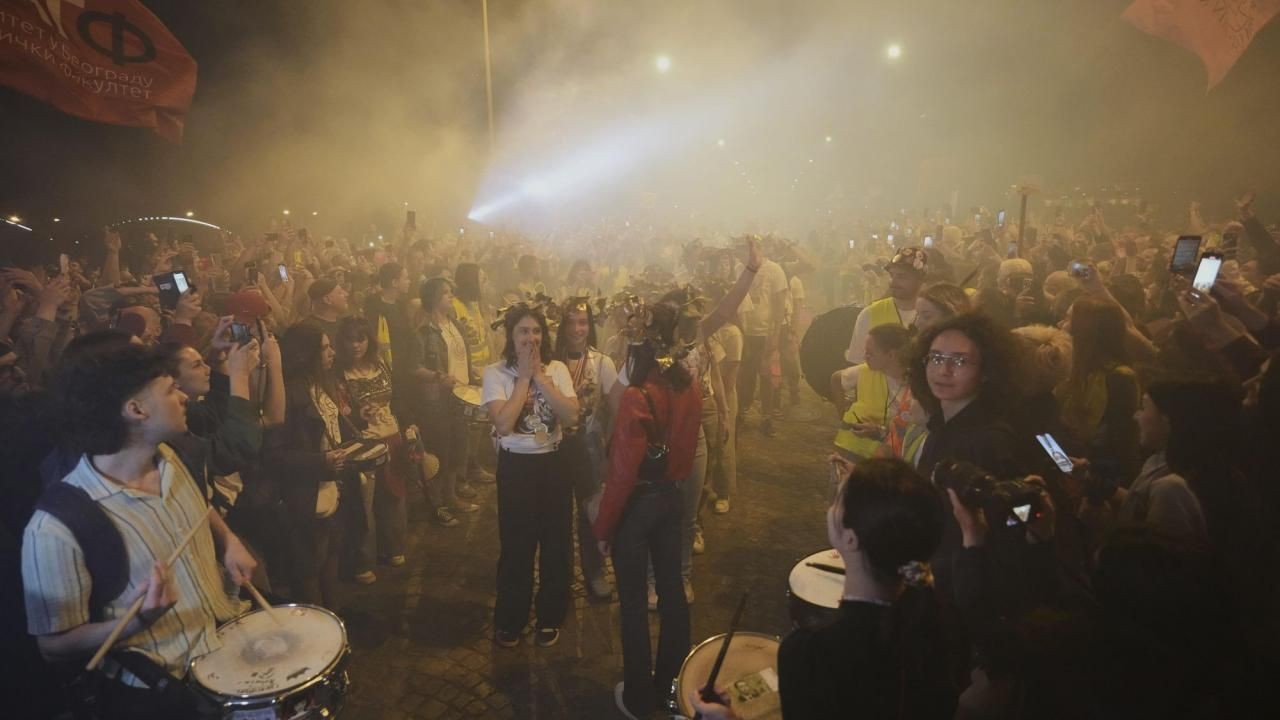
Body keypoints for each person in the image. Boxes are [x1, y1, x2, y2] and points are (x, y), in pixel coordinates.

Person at [22, 343, 256, 719]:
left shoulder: (169, 458)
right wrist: (136, 622)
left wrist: (229, 540)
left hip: (225, 649)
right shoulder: (55, 527)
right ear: (136, 410)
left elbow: (200, 507)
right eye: (170, 389)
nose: (183, 396)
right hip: (164, 694)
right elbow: (52, 645)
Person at [689, 459, 958, 720]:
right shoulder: (940, 625)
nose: (831, 507)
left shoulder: (811, 655)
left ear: (850, 539)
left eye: (838, 500)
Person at [593, 301, 702, 719]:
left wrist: (604, 527)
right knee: (673, 590)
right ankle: (674, 686)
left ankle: (639, 695)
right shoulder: (690, 387)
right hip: (674, 496)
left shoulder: (637, 396)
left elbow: (622, 473)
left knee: (634, 601)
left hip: (638, 504)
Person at [482, 304, 579, 648]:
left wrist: (540, 377)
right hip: (516, 468)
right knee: (516, 546)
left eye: (536, 331)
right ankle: (511, 619)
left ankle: (550, 616)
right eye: (523, 331)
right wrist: (523, 378)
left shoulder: (557, 369)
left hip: (553, 464)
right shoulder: (495, 373)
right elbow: (504, 423)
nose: (531, 338)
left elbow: (571, 415)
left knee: (556, 544)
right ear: (511, 336)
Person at [267, 323, 353, 608]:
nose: (332, 353)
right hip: (305, 493)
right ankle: (316, 623)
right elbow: (274, 455)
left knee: (331, 556)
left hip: (332, 485)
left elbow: (331, 428)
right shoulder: (289, 394)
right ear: (306, 354)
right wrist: (320, 461)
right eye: (324, 348)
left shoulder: (320, 384)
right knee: (309, 568)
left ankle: (334, 616)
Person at [335, 317, 411, 581]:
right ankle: (362, 561)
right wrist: (358, 415)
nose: (356, 345)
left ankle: (393, 547)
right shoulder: (339, 374)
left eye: (361, 339)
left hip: (391, 436)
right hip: (362, 443)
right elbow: (338, 413)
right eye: (350, 340)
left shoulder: (381, 365)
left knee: (393, 496)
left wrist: (409, 425)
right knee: (363, 504)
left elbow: (398, 398)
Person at [553, 297, 617, 600]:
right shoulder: (550, 363)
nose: (576, 329)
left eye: (582, 322)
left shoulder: (602, 363)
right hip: (554, 445)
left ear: (590, 325)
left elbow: (617, 410)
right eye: (570, 322)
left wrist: (610, 452)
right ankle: (560, 573)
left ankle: (594, 572)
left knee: (590, 509)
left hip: (589, 444)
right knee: (557, 511)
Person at [413, 277, 480, 527]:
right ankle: (437, 504)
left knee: (457, 449)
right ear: (432, 298)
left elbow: (463, 359)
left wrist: (473, 377)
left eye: (451, 291)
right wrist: (438, 377)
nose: (451, 295)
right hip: (438, 401)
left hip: (461, 397)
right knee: (441, 451)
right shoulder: (423, 331)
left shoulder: (455, 325)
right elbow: (414, 367)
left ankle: (451, 496)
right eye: (445, 292)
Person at [1055, 296, 1141, 482]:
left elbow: (1121, 444)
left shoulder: (1119, 378)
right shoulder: (1072, 369)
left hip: (1097, 480)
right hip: (1067, 470)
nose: (1060, 324)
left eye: (1068, 319)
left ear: (1086, 329)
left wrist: (1088, 470)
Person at [832, 324, 916, 468]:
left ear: (890, 355)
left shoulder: (917, 385)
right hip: (851, 451)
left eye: (870, 353)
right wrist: (842, 413)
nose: (865, 357)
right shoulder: (865, 372)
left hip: (888, 458)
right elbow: (836, 379)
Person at [735, 237, 790, 437]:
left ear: (759, 249)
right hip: (745, 331)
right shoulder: (739, 269)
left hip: (765, 332)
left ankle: (767, 417)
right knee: (745, 375)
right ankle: (742, 412)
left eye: (751, 249)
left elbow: (779, 305)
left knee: (767, 376)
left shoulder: (774, 270)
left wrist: (775, 334)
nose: (747, 254)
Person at [845, 247, 926, 365]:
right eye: (892, 275)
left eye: (902, 276)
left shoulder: (934, 316)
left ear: (921, 280)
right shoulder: (869, 314)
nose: (894, 282)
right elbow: (857, 363)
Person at [301, 277, 350, 342]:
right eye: (340, 292)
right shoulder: (308, 331)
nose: (347, 294)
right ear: (327, 300)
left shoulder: (346, 324)